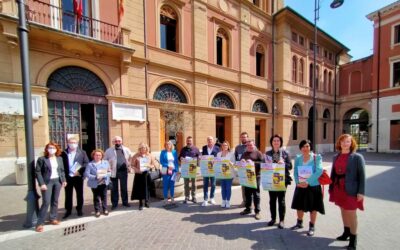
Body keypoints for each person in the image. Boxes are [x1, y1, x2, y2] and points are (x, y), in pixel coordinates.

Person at [329, 134, 365, 250]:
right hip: (338, 188)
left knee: (351, 214)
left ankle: (353, 240)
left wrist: (361, 192)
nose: (345, 144)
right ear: (339, 143)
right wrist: (330, 186)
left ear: (351, 143)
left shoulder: (357, 157)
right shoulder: (336, 157)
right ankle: (346, 233)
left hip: (351, 189)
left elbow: (362, 176)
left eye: (348, 141)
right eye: (343, 141)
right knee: (343, 210)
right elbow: (333, 173)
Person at [290, 139, 324, 236]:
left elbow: (319, 170)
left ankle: (312, 226)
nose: (305, 148)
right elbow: (295, 171)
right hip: (300, 185)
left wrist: (308, 182)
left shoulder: (316, 157)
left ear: (310, 147)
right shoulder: (298, 158)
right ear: (300, 148)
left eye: (307, 146)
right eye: (303, 146)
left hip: (313, 186)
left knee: (313, 207)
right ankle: (299, 223)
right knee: (299, 205)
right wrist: (297, 182)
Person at [35, 142, 67, 232]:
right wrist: (42, 184)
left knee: (55, 201)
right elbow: (38, 172)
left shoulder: (59, 158)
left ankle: (53, 218)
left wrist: (64, 180)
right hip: (47, 182)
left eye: (53, 148)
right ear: (46, 149)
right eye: (49, 148)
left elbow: (62, 170)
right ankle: (39, 223)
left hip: (57, 181)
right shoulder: (42, 159)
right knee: (46, 202)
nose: (51, 149)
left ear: (57, 149)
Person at [265, 134, 293, 229]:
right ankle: (273, 219)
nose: (276, 142)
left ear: (280, 142)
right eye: (274, 140)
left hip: (282, 180)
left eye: (278, 140)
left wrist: (283, 164)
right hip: (271, 179)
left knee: (281, 200)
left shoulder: (285, 153)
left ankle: (281, 220)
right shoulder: (268, 154)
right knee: (272, 200)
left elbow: (290, 166)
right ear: (271, 142)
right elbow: (262, 164)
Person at [61, 137, 89, 218]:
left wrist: (79, 172)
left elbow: (86, 163)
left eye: (74, 142)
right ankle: (68, 210)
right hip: (68, 177)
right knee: (68, 194)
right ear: (68, 143)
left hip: (78, 177)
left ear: (77, 143)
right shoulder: (63, 153)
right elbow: (61, 165)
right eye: (71, 142)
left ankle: (79, 209)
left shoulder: (82, 152)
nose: (72, 144)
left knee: (79, 194)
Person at [104, 136, 132, 209]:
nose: (117, 142)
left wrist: (129, 165)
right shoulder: (108, 150)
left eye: (119, 141)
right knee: (114, 189)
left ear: (121, 141)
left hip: (123, 171)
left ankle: (125, 202)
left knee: (124, 187)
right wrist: (107, 168)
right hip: (113, 172)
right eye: (116, 141)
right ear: (113, 142)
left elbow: (130, 158)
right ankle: (114, 203)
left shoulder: (126, 149)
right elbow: (105, 160)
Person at [239, 139, 264, 220]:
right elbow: (240, 163)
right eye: (248, 145)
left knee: (256, 194)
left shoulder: (258, 153)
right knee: (247, 194)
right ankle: (248, 209)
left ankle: (257, 211)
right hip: (247, 177)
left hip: (256, 176)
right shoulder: (244, 153)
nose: (250, 146)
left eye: (251, 145)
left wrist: (253, 163)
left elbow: (263, 164)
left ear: (254, 145)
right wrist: (241, 161)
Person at [85, 149, 111, 217]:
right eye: (96, 155)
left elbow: (109, 172)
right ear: (93, 156)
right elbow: (87, 174)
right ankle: (97, 211)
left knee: (104, 196)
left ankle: (105, 209)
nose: (98, 156)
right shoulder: (90, 164)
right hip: (94, 183)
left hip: (104, 182)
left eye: (99, 155)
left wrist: (104, 175)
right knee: (96, 197)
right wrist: (95, 177)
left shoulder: (106, 162)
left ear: (102, 156)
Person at [131, 142, 157, 210]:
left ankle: (147, 202)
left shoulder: (150, 155)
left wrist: (149, 166)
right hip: (139, 175)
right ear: (139, 149)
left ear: (146, 148)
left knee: (147, 188)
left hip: (147, 174)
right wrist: (137, 170)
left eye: (144, 148)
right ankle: (140, 203)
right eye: (141, 148)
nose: (143, 149)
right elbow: (132, 165)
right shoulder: (136, 155)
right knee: (140, 189)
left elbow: (154, 164)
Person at [179, 136, 201, 204]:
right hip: (185, 168)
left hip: (193, 168)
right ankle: (186, 197)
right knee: (186, 184)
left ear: (192, 141)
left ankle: (194, 197)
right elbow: (179, 157)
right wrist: (181, 158)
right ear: (186, 141)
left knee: (194, 183)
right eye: (188, 141)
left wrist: (199, 158)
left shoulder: (196, 149)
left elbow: (199, 156)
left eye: (190, 141)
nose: (189, 142)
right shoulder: (183, 149)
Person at [201, 136, 220, 206]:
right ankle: (205, 199)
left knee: (213, 184)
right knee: (205, 184)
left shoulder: (217, 148)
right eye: (208, 140)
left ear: (213, 141)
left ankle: (212, 198)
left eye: (211, 140)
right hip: (206, 169)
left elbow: (218, 157)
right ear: (207, 141)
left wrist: (215, 160)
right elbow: (202, 156)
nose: (210, 141)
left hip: (214, 169)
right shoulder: (204, 147)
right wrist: (201, 158)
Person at [216, 141, 235, 208]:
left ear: (228, 146)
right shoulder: (218, 154)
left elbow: (234, 164)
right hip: (221, 174)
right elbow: (217, 163)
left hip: (229, 173)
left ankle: (228, 201)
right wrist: (214, 162)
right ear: (222, 146)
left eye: (226, 145)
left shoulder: (231, 154)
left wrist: (230, 163)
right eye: (223, 145)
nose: (225, 146)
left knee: (228, 188)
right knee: (223, 188)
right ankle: (223, 200)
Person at [160, 141, 179, 205]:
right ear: (165, 145)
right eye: (167, 144)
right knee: (165, 184)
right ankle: (165, 199)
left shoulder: (174, 152)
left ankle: (172, 198)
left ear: (171, 145)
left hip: (173, 170)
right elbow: (161, 161)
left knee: (172, 184)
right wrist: (168, 166)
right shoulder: (163, 152)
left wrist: (177, 169)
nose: (168, 145)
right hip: (165, 169)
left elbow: (176, 161)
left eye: (169, 144)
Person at [235, 132, 248, 207]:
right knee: (243, 186)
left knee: (250, 187)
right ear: (240, 138)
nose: (243, 138)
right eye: (242, 137)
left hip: (249, 170)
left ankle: (250, 202)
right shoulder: (237, 147)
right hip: (241, 170)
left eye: (245, 137)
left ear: (247, 138)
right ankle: (244, 201)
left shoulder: (251, 146)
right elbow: (236, 157)